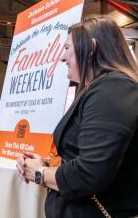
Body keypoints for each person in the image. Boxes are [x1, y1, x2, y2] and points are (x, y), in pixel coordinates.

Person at [16, 15, 138, 218]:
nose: (62, 57)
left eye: (66, 48)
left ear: (91, 48)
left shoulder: (113, 88)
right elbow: (86, 158)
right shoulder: (102, 89)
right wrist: (47, 164)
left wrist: (40, 174)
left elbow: (89, 174)